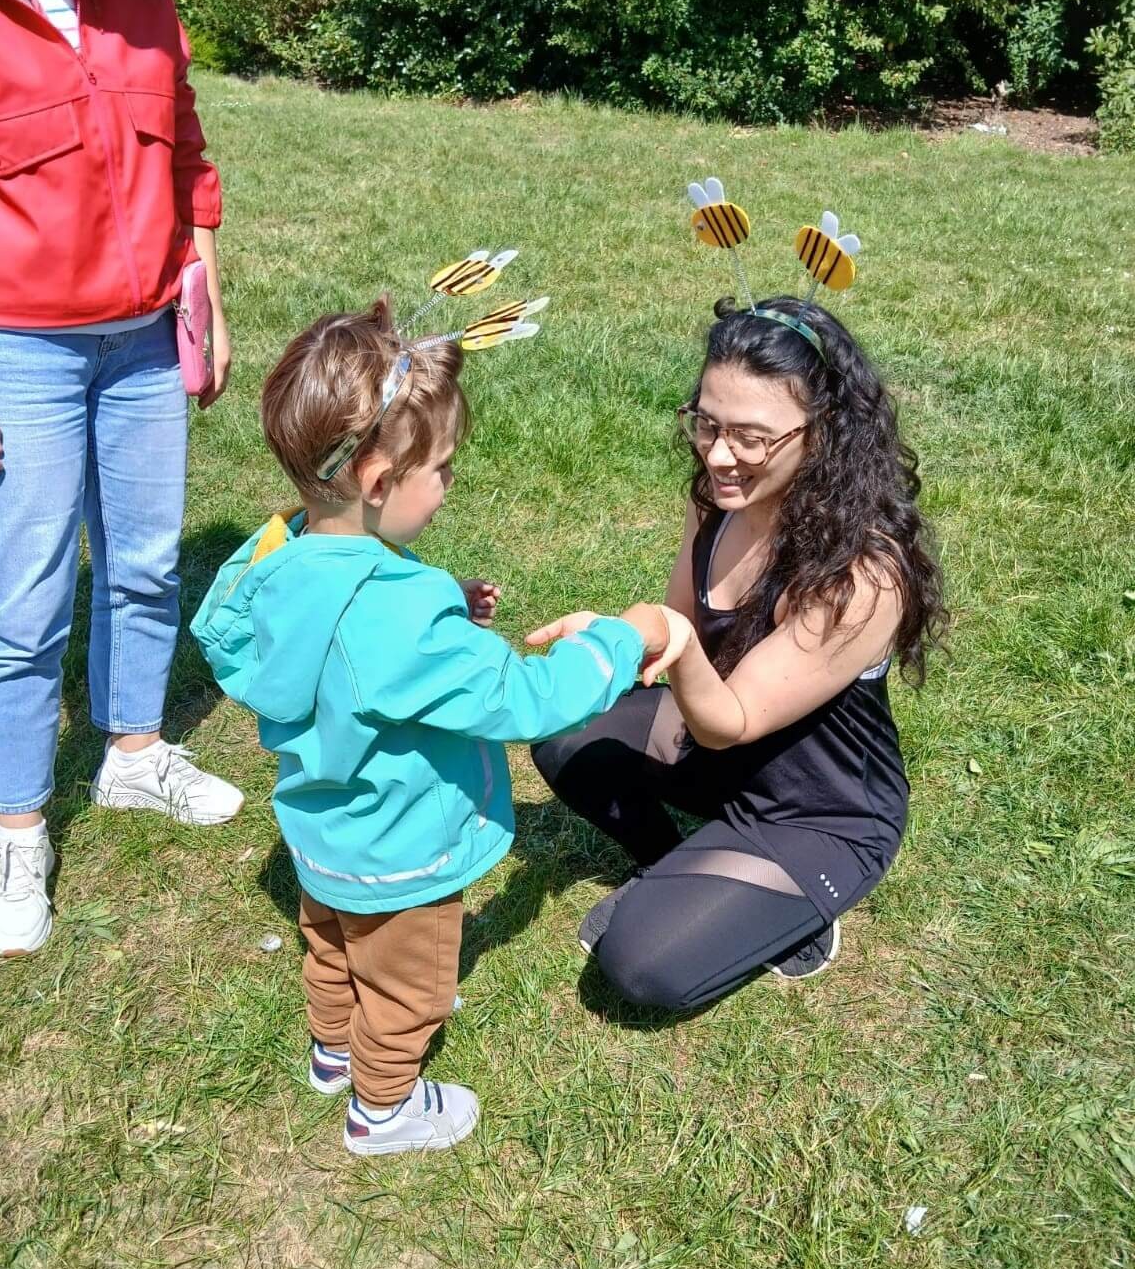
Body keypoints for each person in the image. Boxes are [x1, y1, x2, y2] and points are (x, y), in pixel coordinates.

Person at [191, 299, 691, 1156]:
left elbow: (333, 642)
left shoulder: (281, 560)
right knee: (409, 989)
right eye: (445, 469)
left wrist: (442, 603)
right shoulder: (399, 618)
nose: (450, 484)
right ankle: (383, 1109)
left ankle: (331, 1050)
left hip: (322, 833)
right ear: (380, 481)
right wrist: (626, 634)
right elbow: (526, 698)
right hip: (401, 851)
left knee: (331, 947)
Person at [0, 0, 244, 958]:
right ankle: (20, 829)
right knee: (23, 601)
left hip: (143, 330)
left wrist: (202, 266)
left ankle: (130, 754)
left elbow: (181, 129)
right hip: (9, 342)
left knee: (149, 558)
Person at [531, 293, 947, 1010]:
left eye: (751, 437)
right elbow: (680, 630)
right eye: (707, 422)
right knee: (565, 732)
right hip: (716, 752)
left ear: (821, 435)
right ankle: (686, 874)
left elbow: (730, 714)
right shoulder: (716, 501)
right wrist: (614, 640)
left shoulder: (862, 575)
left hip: (818, 810)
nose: (720, 455)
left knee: (639, 967)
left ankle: (790, 913)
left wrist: (672, 639)